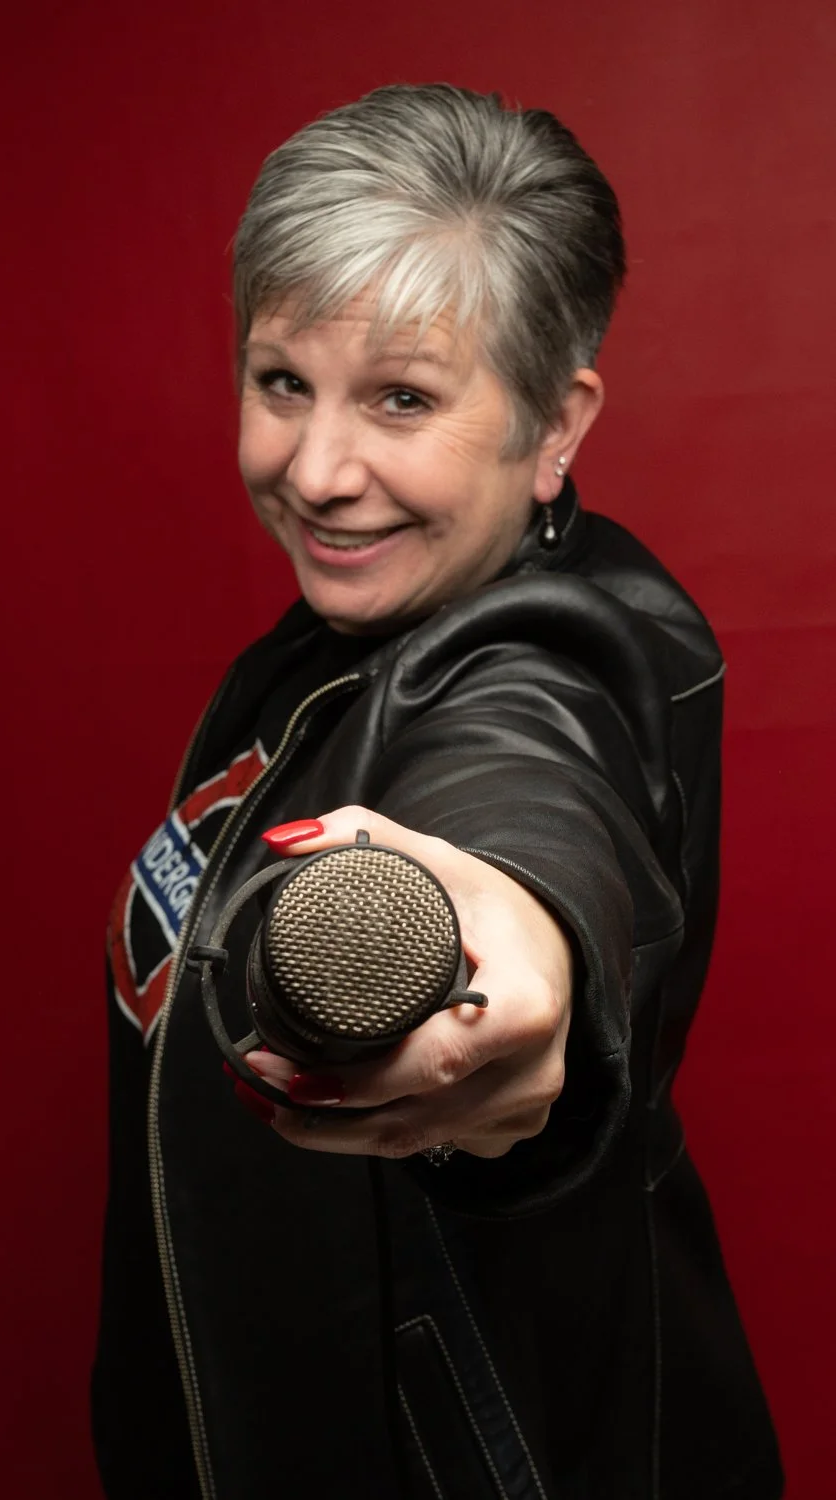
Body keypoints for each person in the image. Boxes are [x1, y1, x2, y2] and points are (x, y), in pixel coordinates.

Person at [91, 84, 782, 1500]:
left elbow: (530, 790)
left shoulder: (551, 656)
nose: (315, 472)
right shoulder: (330, 637)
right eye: (282, 381)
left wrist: (511, 946)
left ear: (553, 423)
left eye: (402, 398)